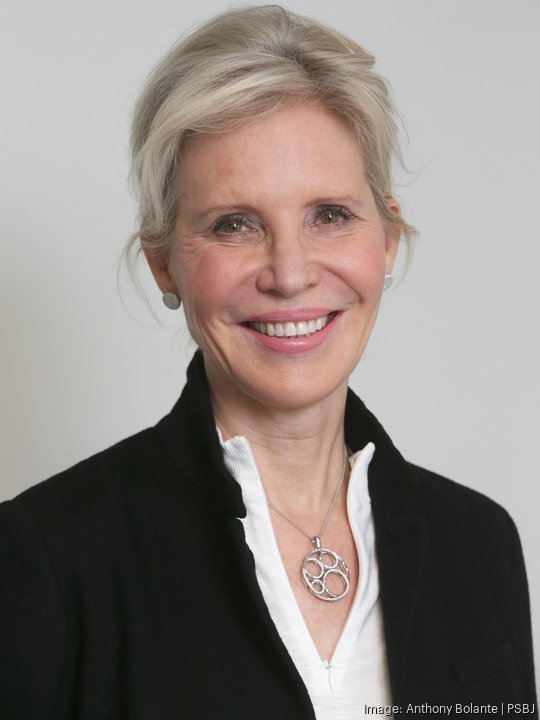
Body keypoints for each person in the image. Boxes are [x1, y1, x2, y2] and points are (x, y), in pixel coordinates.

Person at [0, 5, 536, 719]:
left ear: (388, 239)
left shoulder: (479, 544)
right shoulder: (49, 556)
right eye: (235, 224)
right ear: (164, 263)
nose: (289, 273)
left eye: (330, 215)